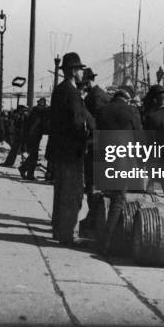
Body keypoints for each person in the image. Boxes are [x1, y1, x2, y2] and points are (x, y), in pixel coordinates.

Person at [48, 52, 91, 246]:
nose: (83, 73)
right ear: (74, 72)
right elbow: (77, 122)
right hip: (72, 151)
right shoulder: (72, 93)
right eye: (81, 70)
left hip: (59, 149)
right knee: (73, 193)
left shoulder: (59, 89)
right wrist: (86, 139)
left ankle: (58, 230)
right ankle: (67, 234)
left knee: (61, 191)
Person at [94, 88, 144, 252]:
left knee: (104, 195)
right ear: (127, 98)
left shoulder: (102, 111)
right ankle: (106, 241)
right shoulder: (132, 111)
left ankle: (97, 231)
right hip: (122, 161)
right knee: (119, 199)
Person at [78, 69, 110, 235]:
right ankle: (96, 216)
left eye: (84, 84)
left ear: (88, 82)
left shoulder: (95, 97)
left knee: (91, 182)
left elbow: (96, 123)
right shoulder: (102, 95)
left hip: (95, 145)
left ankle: (93, 218)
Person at [19, 98, 48, 180]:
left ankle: (25, 170)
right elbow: (37, 124)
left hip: (32, 136)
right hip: (34, 136)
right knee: (34, 156)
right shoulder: (39, 110)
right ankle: (27, 172)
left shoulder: (35, 110)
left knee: (33, 155)